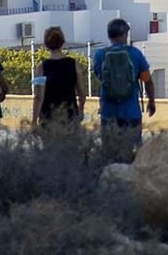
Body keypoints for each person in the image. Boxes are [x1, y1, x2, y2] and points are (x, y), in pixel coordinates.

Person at [94, 17, 154, 160]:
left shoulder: (100, 55)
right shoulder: (135, 54)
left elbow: (99, 76)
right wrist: (151, 101)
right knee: (133, 155)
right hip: (131, 112)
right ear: (125, 35)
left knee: (109, 154)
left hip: (108, 112)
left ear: (109, 36)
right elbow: (147, 80)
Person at [32, 26, 85, 129]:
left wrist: (34, 120)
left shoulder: (41, 68)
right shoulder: (75, 64)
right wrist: (81, 110)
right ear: (63, 42)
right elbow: (82, 94)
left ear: (46, 45)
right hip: (70, 116)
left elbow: (38, 96)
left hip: (48, 117)